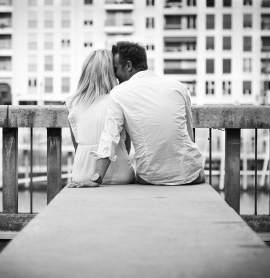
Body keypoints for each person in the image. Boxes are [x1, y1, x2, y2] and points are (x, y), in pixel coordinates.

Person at [69, 41, 204, 188]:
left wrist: (96, 178)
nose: (115, 76)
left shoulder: (119, 93)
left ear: (128, 66)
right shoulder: (178, 87)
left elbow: (109, 137)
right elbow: (189, 135)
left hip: (150, 177)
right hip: (191, 174)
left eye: (115, 70)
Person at [65, 49, 135, 185]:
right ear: (111, 73)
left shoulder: (72, 103)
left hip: (82, 174)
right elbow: (126, 146)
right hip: (120, 174)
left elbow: (77, 146)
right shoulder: (119, 99)